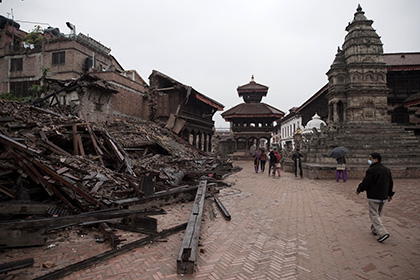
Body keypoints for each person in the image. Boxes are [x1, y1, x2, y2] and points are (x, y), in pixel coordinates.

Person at [356, 152, 394, 243]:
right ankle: (375, 229)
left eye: (370, 158)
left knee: (373, 214)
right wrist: (389, 194)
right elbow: (391, 183)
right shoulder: (387, 170)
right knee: (378, 213)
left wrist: (359, 189)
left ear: (375, 159)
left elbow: (366, 182)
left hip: (374, 195)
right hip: (383, 196)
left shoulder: (372, 170)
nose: (369, 160)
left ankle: (383, 232)